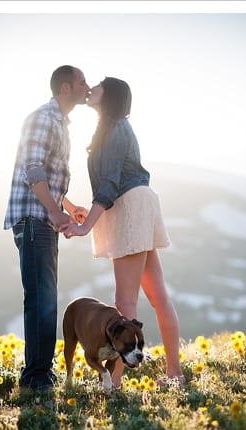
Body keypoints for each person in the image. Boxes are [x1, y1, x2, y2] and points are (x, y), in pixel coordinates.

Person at [61, 76, 184, 389]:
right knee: (157, 296)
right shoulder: (111, 128)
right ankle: (174, 374)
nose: (93, 88)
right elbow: (111, 183)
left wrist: (87, 224)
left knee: (124, 302)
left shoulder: (116, 128)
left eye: (99, 84)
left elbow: (111, 183)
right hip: (134, 203)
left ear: (110, 95)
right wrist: (90, 213)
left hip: (129, 207)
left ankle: (115, 382)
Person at [3, 65, 90, 393]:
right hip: (35, 219)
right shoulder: (43, 118)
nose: (88, 86)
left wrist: (68, 207)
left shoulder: (60, 123)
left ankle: (39, 374)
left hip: (43, 218)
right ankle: (36, 378)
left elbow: (49, 178)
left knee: (44, 296)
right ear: (66, 88)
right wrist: (55, 213)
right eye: (82, 81)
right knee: (42, 298)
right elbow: (33, 169)